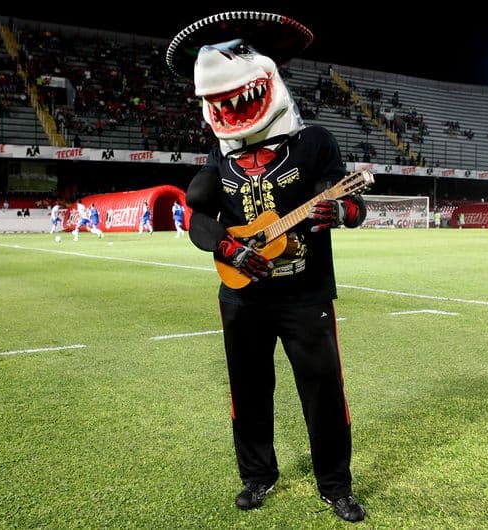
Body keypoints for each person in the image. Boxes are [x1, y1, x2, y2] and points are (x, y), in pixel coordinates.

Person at [168, 12, 367, 522]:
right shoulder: (220, 159)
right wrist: (229, 251)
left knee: (324, 392)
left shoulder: (316, 142)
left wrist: (338, 210)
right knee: (248, 391)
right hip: (242, 298)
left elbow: (352, 206)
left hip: (307, 296)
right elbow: (198, 220)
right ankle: (257, 478)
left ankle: (335, 485)